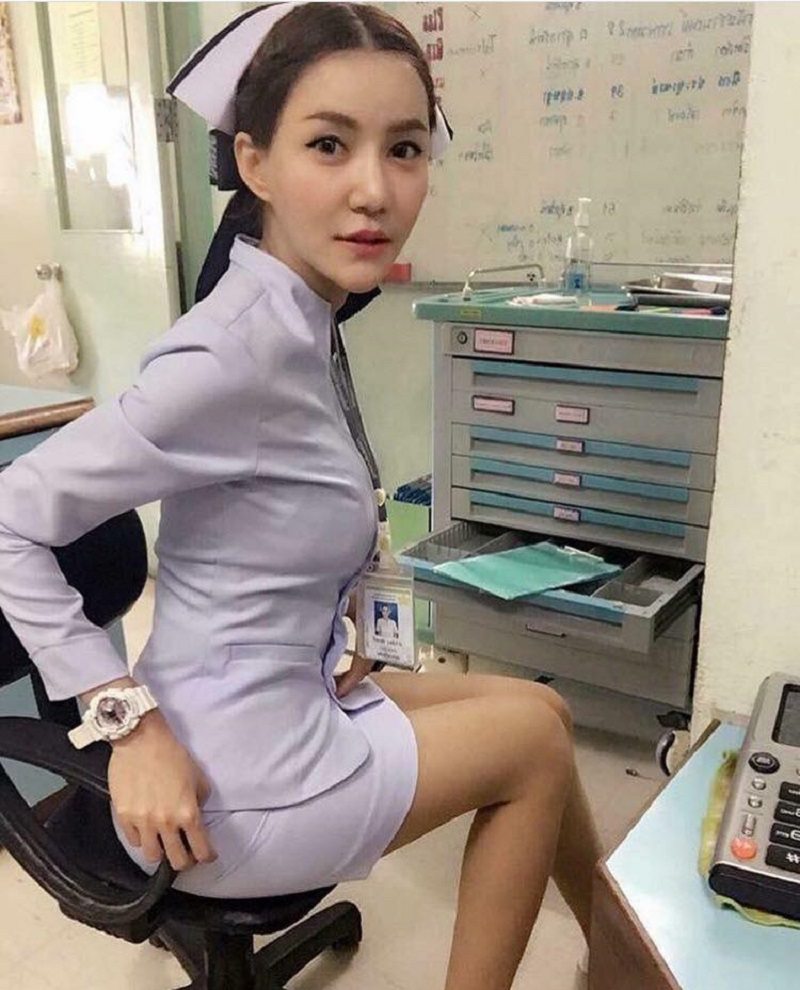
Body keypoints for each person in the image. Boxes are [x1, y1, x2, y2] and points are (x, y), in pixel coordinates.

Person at [0, 5, 601, 988]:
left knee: (538, 705)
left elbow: (298, 502)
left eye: (403, 149)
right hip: (217, 785)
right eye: (329, 144)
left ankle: (616, 960)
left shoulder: (299, 319)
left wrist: (355, 600)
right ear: (256, 163)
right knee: (533, 742)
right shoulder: (227, 357)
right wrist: (126, 724)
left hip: (282, 689)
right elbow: (10, 523)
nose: (375, 188)